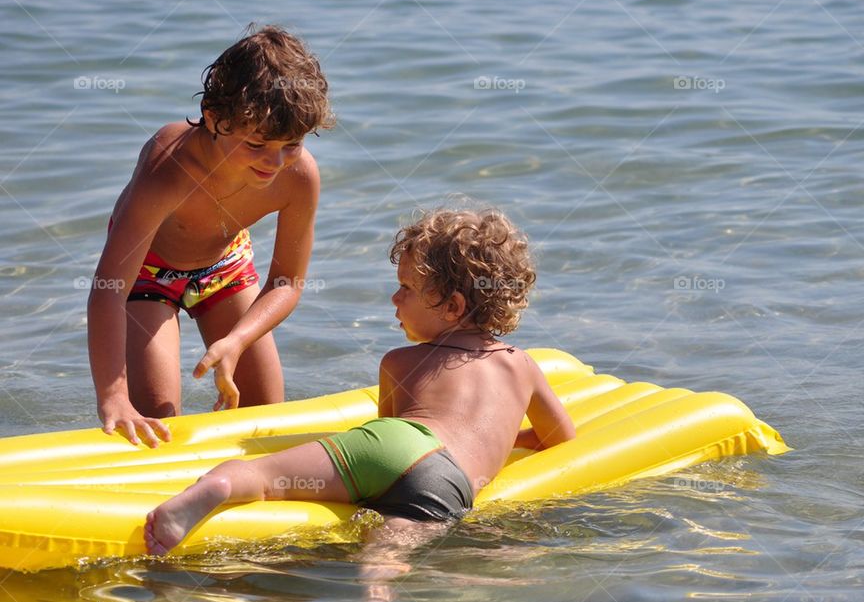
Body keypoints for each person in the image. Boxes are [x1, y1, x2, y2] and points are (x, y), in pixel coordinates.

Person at [144, 207, 577, 555]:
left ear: (452, 306)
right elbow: (559, 435)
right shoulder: (522, 364)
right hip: (447, 481)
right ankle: (379, 583)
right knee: (394, 542)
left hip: (393, 443)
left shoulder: (399, 361)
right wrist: (509, 438)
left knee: (263, 477)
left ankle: (217, 489)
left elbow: (387, 435)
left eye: (406, 288)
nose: (395, 298)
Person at [87, 26, 335, 448]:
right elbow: (109, 289)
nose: (275, 162)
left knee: (265, 422)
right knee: (157, 425)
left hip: (226, 265)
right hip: (148, 275)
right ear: (214, 117)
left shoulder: (299, 175)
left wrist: (237, 340)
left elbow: (287, 283)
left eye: (290, 144)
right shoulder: (168, 168)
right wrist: (113, 396)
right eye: (257, 143)